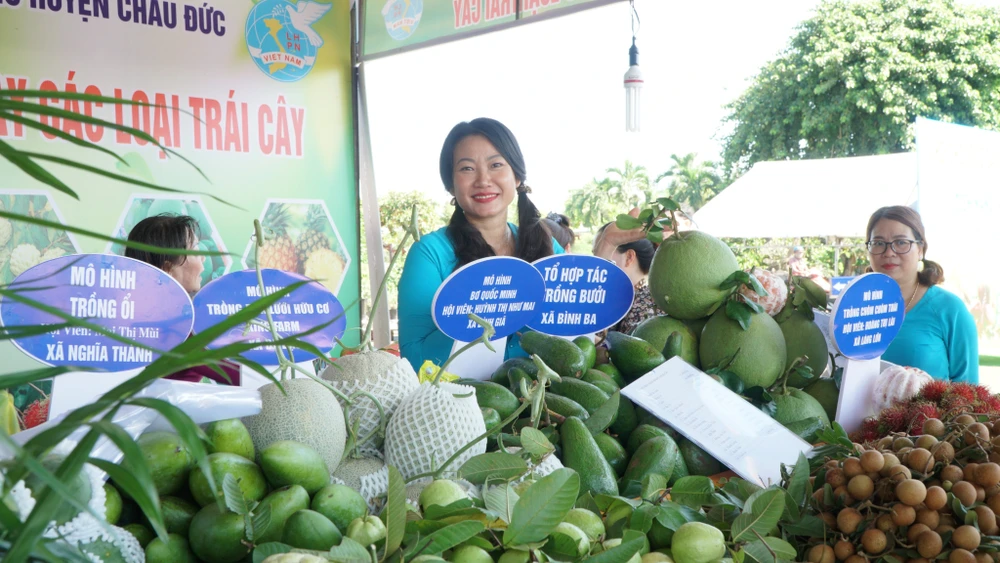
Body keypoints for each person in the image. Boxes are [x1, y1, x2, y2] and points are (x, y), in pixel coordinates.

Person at [397, 118, 564, 371]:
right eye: (467, 168)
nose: (483, 180)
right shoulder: (429, 254)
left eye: (496, 164)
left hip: (548, 400)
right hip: (464, 403)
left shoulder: (546, 245)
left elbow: (574, 332)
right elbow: (414, 355)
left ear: (517, 177)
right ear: (451, 185)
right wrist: (486, 311)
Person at [865, 206, 978, 383]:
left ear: (920, 249)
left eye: (901, 242)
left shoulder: (950, 310)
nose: (888, 252)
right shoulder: (855, 307)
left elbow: (969, 391)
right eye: (878, 243)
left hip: (931, 412)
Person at [126, 213, 240, 385]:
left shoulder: (134, 315)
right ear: (167, 268)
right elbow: (246, 376)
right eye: (195, 250)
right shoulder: (180, 329)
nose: (203, 257)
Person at [593, 222, 658, 335]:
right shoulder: (620, 298)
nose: (595, 261)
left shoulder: (645, 306)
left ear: (629, 257)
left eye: (604, 253)